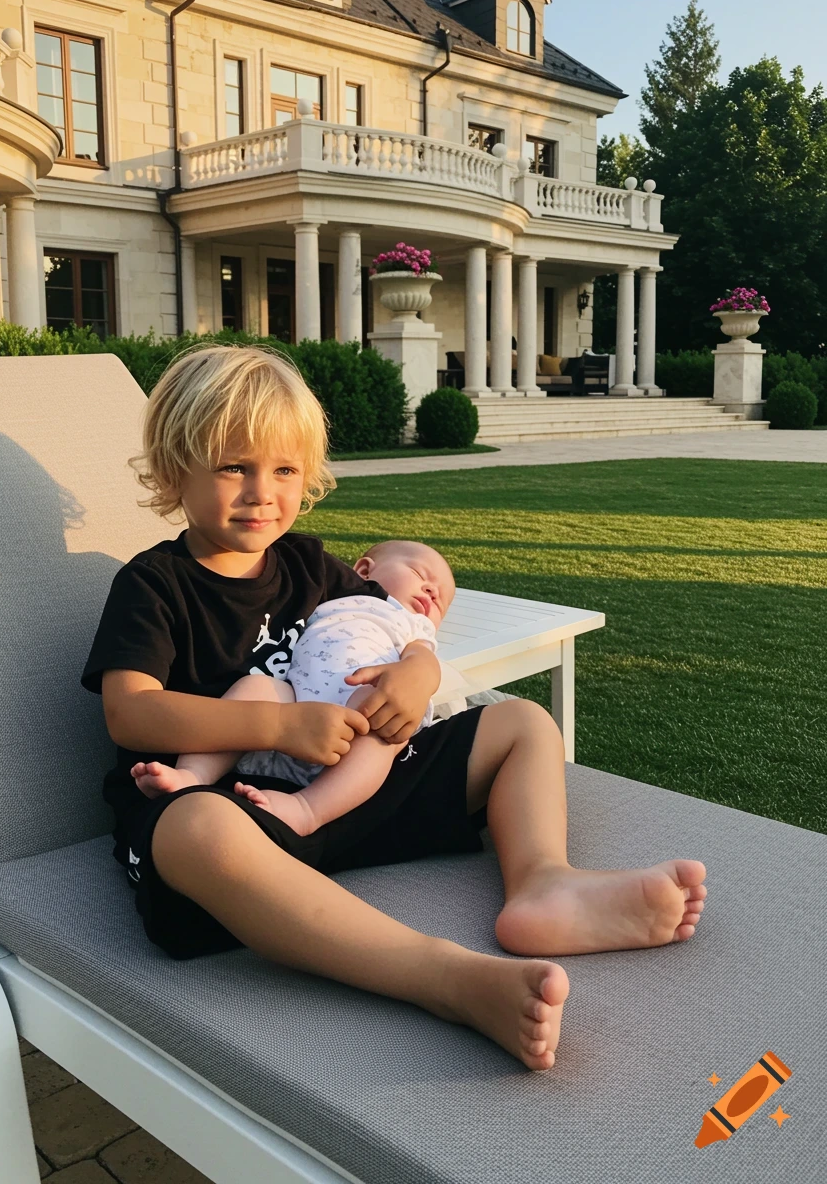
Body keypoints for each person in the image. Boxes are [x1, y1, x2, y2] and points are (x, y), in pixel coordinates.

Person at [82, 344, 707, 1073]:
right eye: (234, 467)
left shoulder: (311, 566)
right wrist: (278, 725)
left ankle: (543, 883)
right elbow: (131, 714)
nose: (262, 493)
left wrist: (418, 672)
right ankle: (447, 980)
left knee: (520, 722)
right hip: (230, 814)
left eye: (284, 470)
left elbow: (401, 631)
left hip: (342, 794)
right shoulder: (153, 586)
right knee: (197, 830)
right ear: (173, 469)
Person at [130, 538, 455, 837]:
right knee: (256, 686)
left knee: (380, 721)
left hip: (362, 721)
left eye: (442, 598)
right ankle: (192, 775)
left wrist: (417, 672)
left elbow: (420, 655)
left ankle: (307, 809)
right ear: (365, 569)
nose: (432, 592)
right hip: (295, 719)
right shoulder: (330, 594)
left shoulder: (411, 623)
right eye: (420, 574)